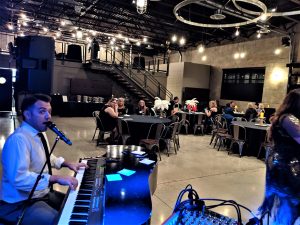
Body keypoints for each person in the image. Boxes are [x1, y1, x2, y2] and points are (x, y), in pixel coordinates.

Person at [0, 94, 87, 225]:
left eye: (49, 112)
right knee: (61, 222)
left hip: (40, 194)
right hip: (19, 203)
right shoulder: (19, 140)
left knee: (78, 205)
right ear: (27, 114)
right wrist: (56, 178)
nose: (48, 116)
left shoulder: (39, 133)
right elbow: (19, 178)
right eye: (42, 112)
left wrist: (67, 164)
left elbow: (46, 156)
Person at [259, 89, 300, 225]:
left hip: (285, 164)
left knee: (288, 205)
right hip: (285, 166)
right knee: (288, 205)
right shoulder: (288, 118)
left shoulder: (287, 117)